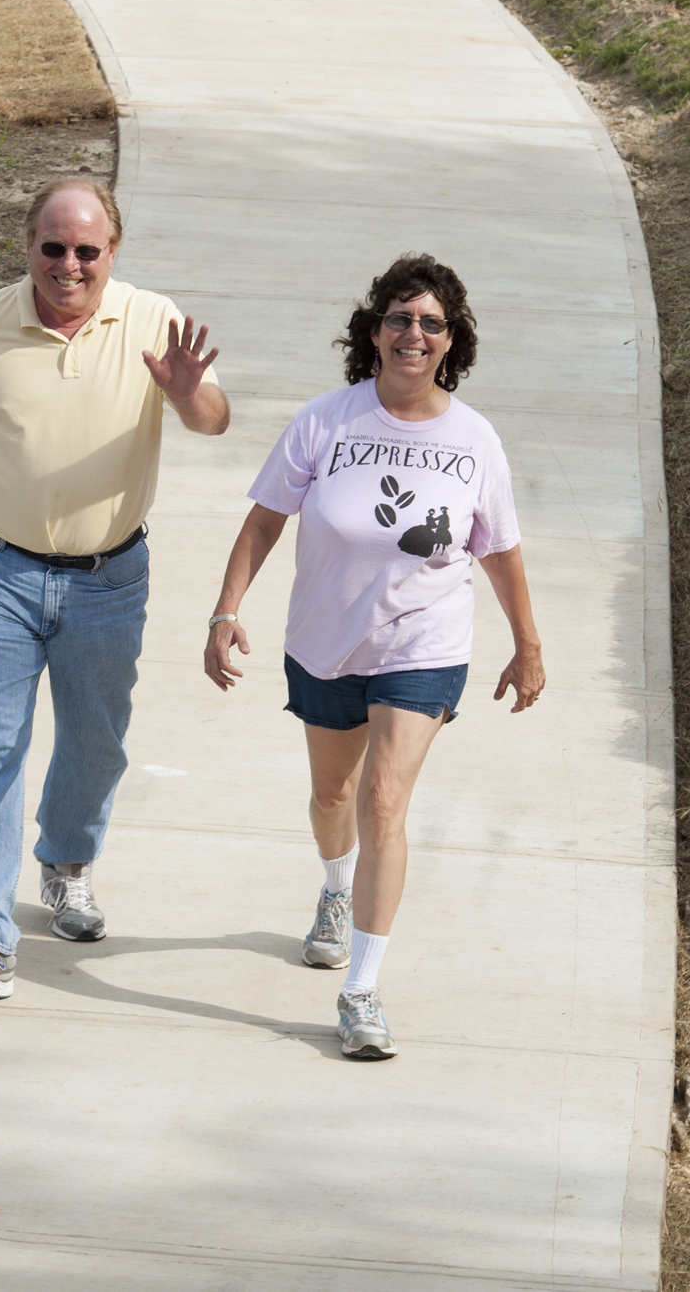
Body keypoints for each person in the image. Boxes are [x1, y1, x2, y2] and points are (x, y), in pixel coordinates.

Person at [0, 176, 230, 1000]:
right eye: (53, 247)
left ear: (113, 250)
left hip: (109, 581)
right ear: (27, 246)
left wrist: (186, 393)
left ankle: (67, 862)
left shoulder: (151, 319)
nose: (69, 264)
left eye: (87, 250)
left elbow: (215, 417)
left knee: (95, 740)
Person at [203, 253, 544, 1059]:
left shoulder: (474, 439)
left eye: (431, 322)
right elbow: (262, 523)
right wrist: (225, 610)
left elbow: (500, 551)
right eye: (399, 318)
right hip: (326, 643)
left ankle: (360, 990)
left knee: (384, 800)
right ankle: (333, 887)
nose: (413, 334)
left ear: (451, 339)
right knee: (335, 794)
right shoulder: (326, 420)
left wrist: (527, 645)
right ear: (374, 330)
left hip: (424, 645)